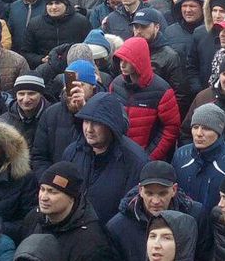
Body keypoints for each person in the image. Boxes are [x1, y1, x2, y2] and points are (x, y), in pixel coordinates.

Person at [65, 91, 150, 229]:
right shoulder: (73, 151)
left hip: (110, 238)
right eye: (86, 121)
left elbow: (131, 211)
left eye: (96, 123)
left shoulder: (135, 161)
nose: (89, 129)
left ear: (111, 125)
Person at [105, 160, 208, 261]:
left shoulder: (195, 215)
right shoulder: (117, 227)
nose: (155, 201)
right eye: (149, 193)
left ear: (174, 190)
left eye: (162, 194)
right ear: (140, 190)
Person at [18, 161, 117, 260]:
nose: (43, 197)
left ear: (71, 198)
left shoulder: (92, 242)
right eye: (42, 189)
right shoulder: (33, 218)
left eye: (52, 192)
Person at [109, 37, 181, 161]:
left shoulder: (162, 90)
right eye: (120, 59)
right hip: (118, 157)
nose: (122, 64)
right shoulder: (115, 85)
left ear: (139, 61)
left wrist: (149, 156)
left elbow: (171, 128)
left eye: (127, 60)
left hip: (146, 159)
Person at [172, 102, 225, 213]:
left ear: (218, 131)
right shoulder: (180, 155)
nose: (199, 133)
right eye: (195, 127)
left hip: (217, 226)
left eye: (206, 128)